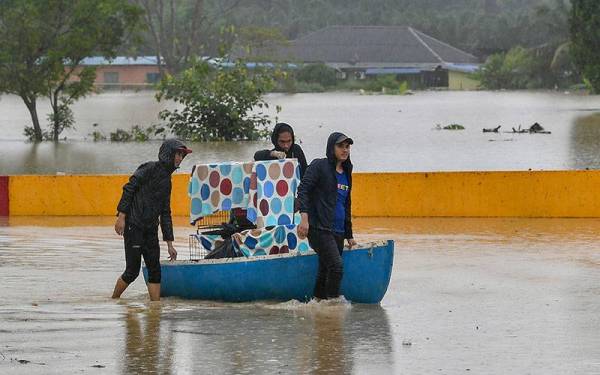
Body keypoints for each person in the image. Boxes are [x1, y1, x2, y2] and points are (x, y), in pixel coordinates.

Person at [112, 139, 192, 301]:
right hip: (134, 226)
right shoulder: (148, 168)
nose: (179, 158)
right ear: (168, 154)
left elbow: (165, 212)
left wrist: (170, 244)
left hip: (150, 229)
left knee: (155, 271)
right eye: (177, 154)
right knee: (132, 271)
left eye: (182, 155)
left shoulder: (167, 182)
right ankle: (113, 300)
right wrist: (121, 216)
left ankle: (155, 309)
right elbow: (129, 189)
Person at [297, 132, 357, 300]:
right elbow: (303, 190)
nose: (345, 150)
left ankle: (319, 305)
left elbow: (346, 203)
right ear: (331, 148)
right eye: (340, 146)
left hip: (337, 230)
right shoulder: (319, 166)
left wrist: (349, 234)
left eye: (347, 147)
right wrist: (304, 219)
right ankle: (332, 306)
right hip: (319, 228)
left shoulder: (346, 171)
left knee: (325, 270)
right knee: (337, 267)